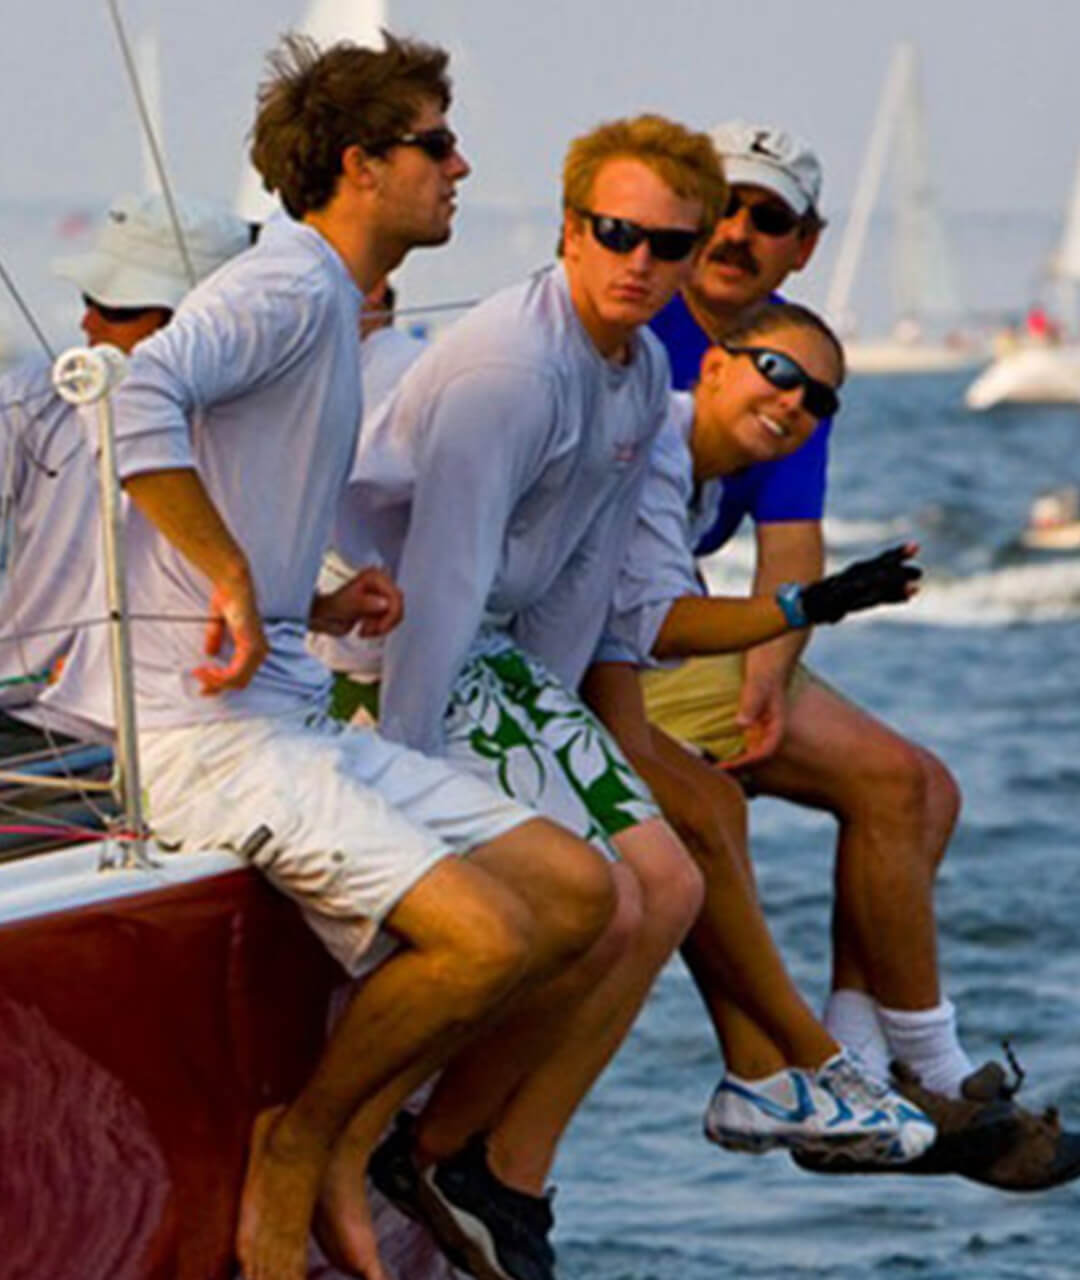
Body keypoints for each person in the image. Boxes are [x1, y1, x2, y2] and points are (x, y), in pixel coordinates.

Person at [42, 35, 625, 1280]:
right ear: (361, 164)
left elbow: (231, 459)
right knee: (481, 939)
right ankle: (298, 1142)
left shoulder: (317, 302)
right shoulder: (287, 289)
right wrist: (233, 571)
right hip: (204, 732)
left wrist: (308, 587)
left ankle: (365, 1135)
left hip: (285, 708)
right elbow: (138, 397)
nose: (461, 166)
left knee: (582, 894)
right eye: (436, 144)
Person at [337, 113, 934, 1280]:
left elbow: (611, 613)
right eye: (619, 235)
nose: (645, 264)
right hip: (394, 647)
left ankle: (482, 1164)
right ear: (570, 230)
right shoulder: (519, 369)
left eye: (668, 244)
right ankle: (782, 1069)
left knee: (663, 873)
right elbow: (449, 582)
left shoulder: (637, 387)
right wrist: (402, 786)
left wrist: (795, 618)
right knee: (637, 869)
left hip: (512, 654)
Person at [639, 120, 1080, 1188]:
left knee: (926, 790)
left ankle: (870, 1060)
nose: (740, 232)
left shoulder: (799, 367)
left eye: (770, 218)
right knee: (894, 782)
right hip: (610, 637)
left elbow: (791, 548)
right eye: (725, 207)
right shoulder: (635, 323)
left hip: (672, 626)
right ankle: (913, 1064)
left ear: (806, 243)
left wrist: (767, 672)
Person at [0, 192, 250, 749]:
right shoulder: (37, 396)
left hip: (184, 725)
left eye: (116, 309)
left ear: (191, 324)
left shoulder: (256, 427)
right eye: (90, 299)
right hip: (27, 711)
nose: (88, 321)